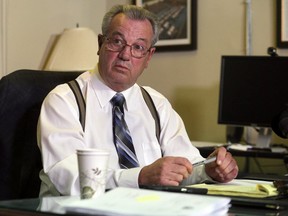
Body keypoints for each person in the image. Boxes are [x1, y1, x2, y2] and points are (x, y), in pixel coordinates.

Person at [37, 4, 238, 197]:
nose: (125, 55)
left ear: (149, 57)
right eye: (117, 42)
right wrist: (140, 177)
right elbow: (70, 179)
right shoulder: (63, 101)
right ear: (100, 44)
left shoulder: (157, 105)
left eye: (138, 47)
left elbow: (185, 165)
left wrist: (210, 169)